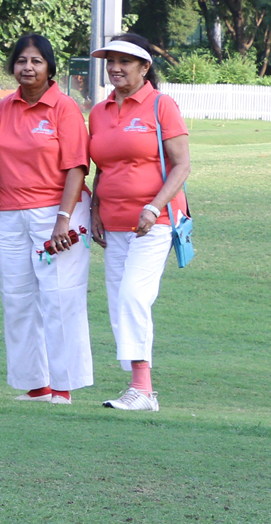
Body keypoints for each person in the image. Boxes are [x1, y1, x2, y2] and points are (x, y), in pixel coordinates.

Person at [88, 33, 190, 412]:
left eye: (124, 61)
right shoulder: (98, 111)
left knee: (133, 296)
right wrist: (95, 209)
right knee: (119, 303)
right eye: (110, 60)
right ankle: (138, 386)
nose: (115, 67)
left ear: (145, 67)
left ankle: (143, 389)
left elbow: (182, 165)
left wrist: (153, 207)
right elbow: (103, 166)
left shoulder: (162, 105)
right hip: (113, 225)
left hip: (156, 221)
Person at [0, 33, 92, 405]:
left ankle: (63, 388)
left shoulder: (63, 108)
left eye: (36, 61)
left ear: (50, 66)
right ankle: (36, 385)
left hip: (57, 213)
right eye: (21, 61)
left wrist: (63, 218)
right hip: (10, 214)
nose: (28, 68)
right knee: (17, 299)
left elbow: (77, 168)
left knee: (58, 298)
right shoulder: (2, 109)